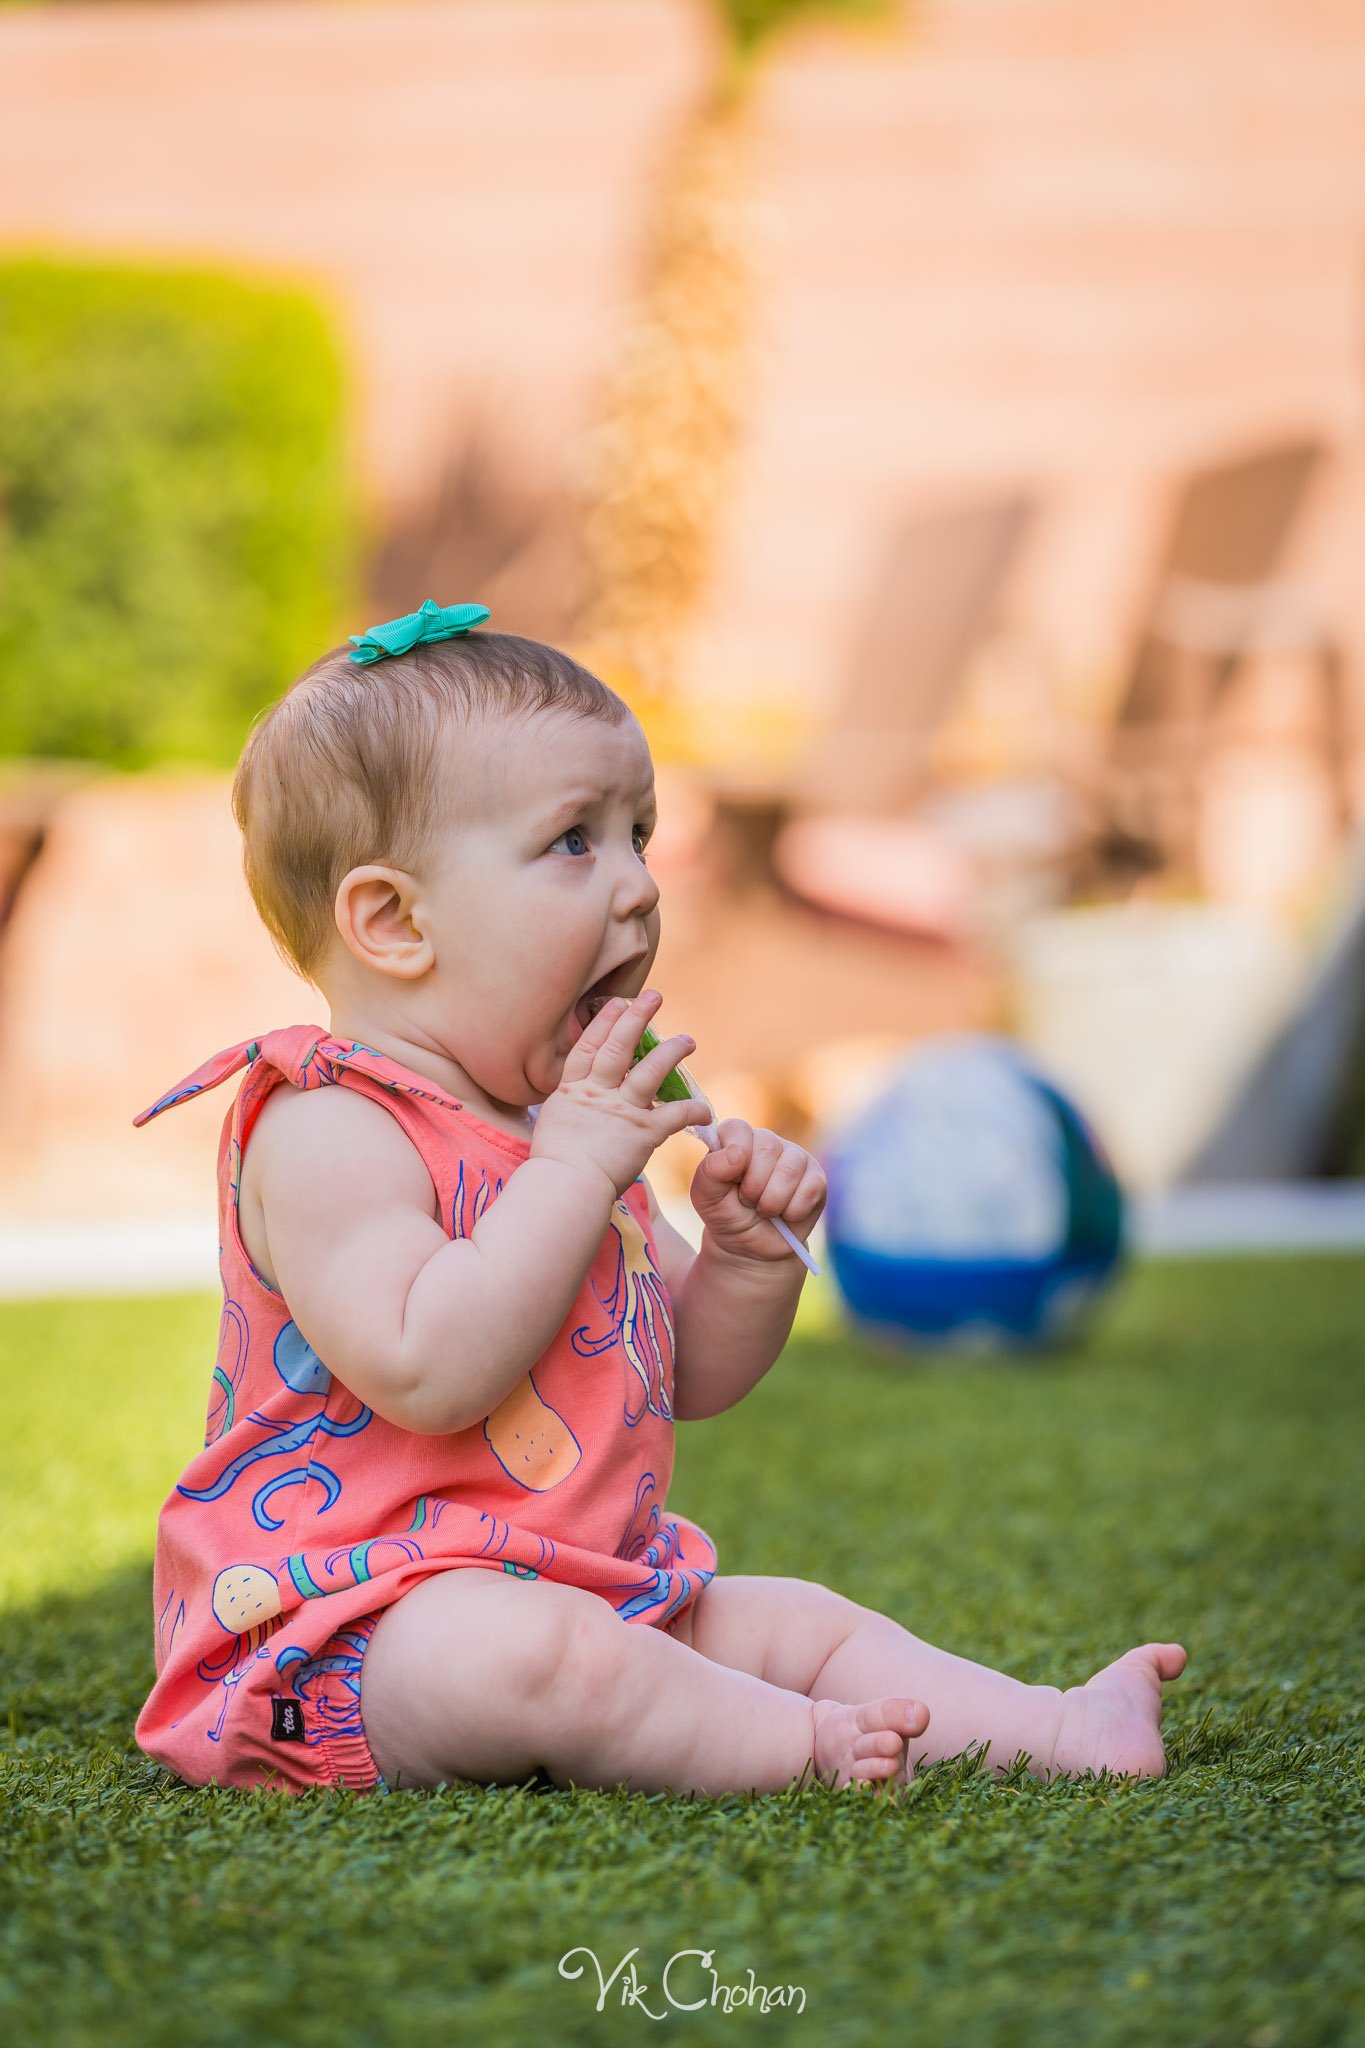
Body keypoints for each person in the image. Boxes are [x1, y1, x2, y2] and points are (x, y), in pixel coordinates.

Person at [134, 600, 1187, 1798]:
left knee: (801, 1624)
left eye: (640, 833)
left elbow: (677, 1368)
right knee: (538, 1652)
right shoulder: (332, 1127)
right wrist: (577, 1171)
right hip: (355, 1635)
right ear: (393, 921)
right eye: (574, 842)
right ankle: (800, 1754)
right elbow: (428, 1364)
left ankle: (1062, 1727)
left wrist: (745, 1256)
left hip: (591, 1587)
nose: (638, 887)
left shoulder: (557, 1123)